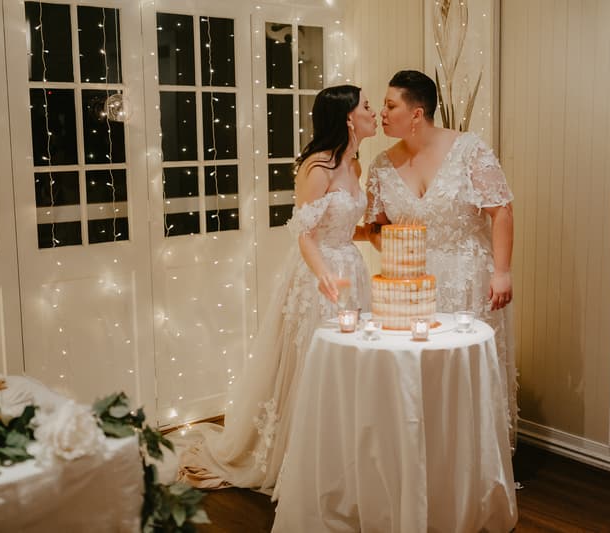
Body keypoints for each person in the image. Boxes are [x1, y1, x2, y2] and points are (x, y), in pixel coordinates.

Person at [178, 85, 377, 490]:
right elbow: (305, 234)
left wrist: (369, 233)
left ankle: (343, 450)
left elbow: (337, 226)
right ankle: (301, 456)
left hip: (351, 270)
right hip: (318, 276)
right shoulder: (316, 168)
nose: (373, 112)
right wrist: (323, 275)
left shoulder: (355, 166)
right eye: (367, 106)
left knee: (350, 360)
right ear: (347, 118)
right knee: (314, 361)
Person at [365, 70, 518, 450]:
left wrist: (502, 272)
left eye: (390, 105)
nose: (382, 113)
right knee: (414, 369)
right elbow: (375, 227)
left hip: (468, 278)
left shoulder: (469, 150)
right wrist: (401, 257)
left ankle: (472, 458)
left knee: (465, 371)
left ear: (416, 113)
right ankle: (415, 453)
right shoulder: (381, 166)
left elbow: (501, 211)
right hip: (412, 286)